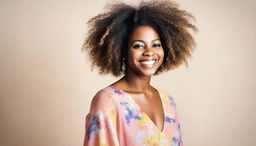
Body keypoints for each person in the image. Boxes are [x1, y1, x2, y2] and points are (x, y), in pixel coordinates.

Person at [82, 0, 197, 145]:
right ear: (122, 50)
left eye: (156, 44)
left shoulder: (168, 101)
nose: (149, 52)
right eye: (138, 46)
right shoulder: (108, 101)